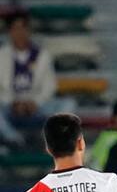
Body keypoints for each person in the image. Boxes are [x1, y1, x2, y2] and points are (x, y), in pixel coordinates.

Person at [0, 12, 74, 146]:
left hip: (37, 107)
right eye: (15, 29)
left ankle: (45, 138)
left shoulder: (42, 55)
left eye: (23, 28)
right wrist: (13, 103)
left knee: (69, 104)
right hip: (10, 108)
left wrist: (35, 103)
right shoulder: (2, 55)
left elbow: (50, 86)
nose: (20, 33)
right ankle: (15, 140)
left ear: (29, 30)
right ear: (9, 32)